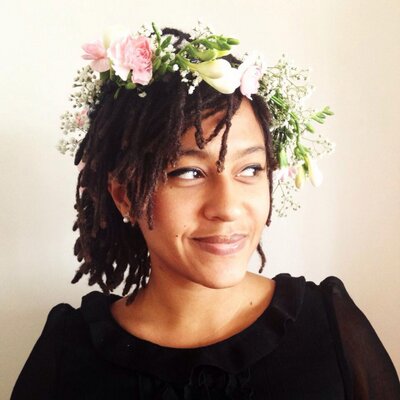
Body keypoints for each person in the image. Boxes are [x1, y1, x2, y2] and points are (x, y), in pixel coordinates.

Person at [12, 24, 399, 399]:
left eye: (250, 169)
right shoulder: (66, 356)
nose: (227, 208)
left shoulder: (331, 328)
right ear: (126, 196)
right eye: (188, 173)